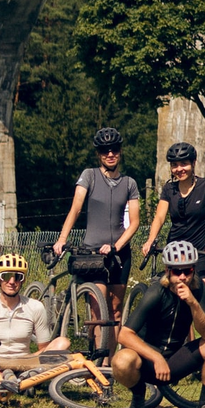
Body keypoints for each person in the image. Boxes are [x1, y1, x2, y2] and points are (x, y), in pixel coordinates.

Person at [112, 239, 205, 408]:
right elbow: (124, 334)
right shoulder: (156, 291)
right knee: (121, 360)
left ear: (193, 270)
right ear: (167, 270)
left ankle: (204, 405)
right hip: (147, 360)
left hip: (176, 358)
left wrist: (193, 304)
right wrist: (156, 358)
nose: (182, 277)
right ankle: (138, 396)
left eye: (187, 271)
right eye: (177, 271)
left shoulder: (198, 288)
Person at [52, 127, 140, 331]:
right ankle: (98, 349)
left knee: (115, 311)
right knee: (98, 312)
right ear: (98, 154)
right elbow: (76, 208)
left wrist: (116, 246)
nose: (110, 154)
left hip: (119, 253)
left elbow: (134, 222)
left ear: (120, 151)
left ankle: (110, 353)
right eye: (104, 150)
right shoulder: (89, 176)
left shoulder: (129, 183)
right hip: (93, 254)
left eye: (114, 149)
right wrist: (62, 238)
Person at [141, 142, 205, 295]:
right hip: (176, 251)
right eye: (175, 165)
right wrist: (150, 240)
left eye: (184, 164)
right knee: (170, 297)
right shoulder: (169, 189)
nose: (179, 169)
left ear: (193, 163)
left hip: (200, 250)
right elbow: (159, 217)